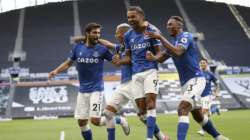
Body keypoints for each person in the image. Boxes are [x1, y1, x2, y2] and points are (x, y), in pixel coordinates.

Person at [145, 16, 229, 140]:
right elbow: (162, 58)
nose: (168, 27)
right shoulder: (173, 42)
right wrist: (153, 57)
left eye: (170, 24)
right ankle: (219, 137)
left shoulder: (185, 36)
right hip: (185, 83)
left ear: (179, 26)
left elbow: (178, 52)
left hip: (196, 79)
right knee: (198, 116)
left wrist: (160, 37)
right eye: (167, 25)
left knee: (182, 108)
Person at [98, 23, 169, 140]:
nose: (115, 35)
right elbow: (108, 44)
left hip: (134, 83)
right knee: (107, 113)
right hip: (123, 86)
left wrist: (120, 61)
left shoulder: (133, 47)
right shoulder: (121, 47)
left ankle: (161, 137)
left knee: (143, 115)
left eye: (117, 32)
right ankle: (121, 121)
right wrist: (95, 39)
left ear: (125, 34)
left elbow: (132, 60)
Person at [49, 22, 119, 140]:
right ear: (87, 33)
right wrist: (55, 71)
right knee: (81, 122)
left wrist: (117, 58)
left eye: (99, 33)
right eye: (94, 33)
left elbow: (116, 63)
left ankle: (119, 120)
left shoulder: (102, 49)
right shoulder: (78, 47)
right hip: (82, 91)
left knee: (95, 121)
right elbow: (68, 63)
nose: (97, 35)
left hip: (96, 90)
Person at [121, 6, 170, 140]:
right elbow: (128, 57)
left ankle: (149, 138)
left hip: (150, 71)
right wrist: (119, 60)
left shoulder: (151, 31)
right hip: (136, 75)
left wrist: (154, 58)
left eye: (133, 16)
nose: (130, 19)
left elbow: (160, 53)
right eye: (129, 17)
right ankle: (160, 136)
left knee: (150, 104)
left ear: (141, 16)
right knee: (141, 112)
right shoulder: (127, 36)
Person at [197, 58, 220, 136]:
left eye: (204, 63)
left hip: (207, 96)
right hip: (198, 96)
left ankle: (203, 130)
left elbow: (217, 83)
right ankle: (214, 109)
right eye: (201, 63)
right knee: (203, 114)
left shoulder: (210, 74)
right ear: (199, 64)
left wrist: (216, 92)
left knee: (204, 112)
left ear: (206, 64)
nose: (203, 64)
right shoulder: (196, 73)